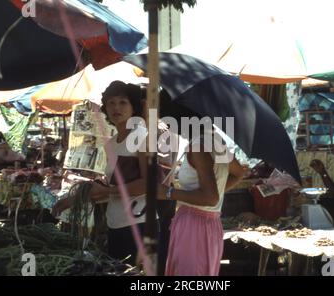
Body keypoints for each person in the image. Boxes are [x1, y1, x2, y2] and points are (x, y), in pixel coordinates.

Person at [52, 80, 151, 265]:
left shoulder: (142, 138)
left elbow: (148, 185)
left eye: (123, 102)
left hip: (139, 225)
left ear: (133, 107)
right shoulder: (111, 144)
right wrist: (74, 200)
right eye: (111, 103)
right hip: (115, 223)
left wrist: (105, 191)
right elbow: (112, 187)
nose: (116, 108)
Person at [157, 128, 245, 276]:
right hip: (210, 225)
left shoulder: (199, 147)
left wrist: (169, 192)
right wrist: (214, 191)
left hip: (193, 226)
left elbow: (210, 198)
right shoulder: (217, 143)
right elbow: (239, 173)